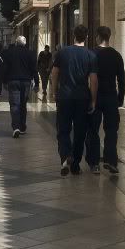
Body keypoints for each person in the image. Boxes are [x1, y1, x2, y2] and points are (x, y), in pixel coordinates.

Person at [50, 24, 97, 176]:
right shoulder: (90, 55)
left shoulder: (63, 52)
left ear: (73, 35)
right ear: (86, 37)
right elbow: (93, 80)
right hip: (82, 98)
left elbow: (54, 73)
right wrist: (93, 100)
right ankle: (75, 165)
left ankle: (65, 156)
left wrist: (54, 91)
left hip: (64, 96)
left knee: (63, 129)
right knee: (80, 132)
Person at [85, 26, 125, 175]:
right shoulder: (116, 55)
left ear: (97, 37)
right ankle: (111, 160)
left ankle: (94, 163)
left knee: (93, 130)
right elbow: (121, 80)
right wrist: (120, 98)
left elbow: (87, 76)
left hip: (94, 96)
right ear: (109, 37)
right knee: (111, 130)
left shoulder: (91, 54)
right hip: (111, 97)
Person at [3, 36, 38, 138]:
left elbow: (5, 68)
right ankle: (22, 127)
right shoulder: (30, 53)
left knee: (14, 104)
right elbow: (34, 69)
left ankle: (16, 127)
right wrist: (37, 83)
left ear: (16, 43)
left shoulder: (9, 53)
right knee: (23, 104)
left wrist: (4, 81)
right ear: (25, 43)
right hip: (26, 82)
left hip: (13, 81)